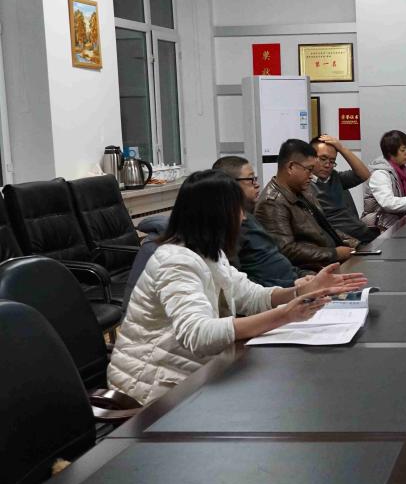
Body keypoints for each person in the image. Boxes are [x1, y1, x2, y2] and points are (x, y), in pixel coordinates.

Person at [107, 170, 367, 405]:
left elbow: (251, 296)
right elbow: (198, 334)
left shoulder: (211, 253)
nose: (243, 218)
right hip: (151, 389)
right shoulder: (175, 261)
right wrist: (284, 315)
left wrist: (300, 292)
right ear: (216, 215)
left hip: (192, 375)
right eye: (238, 210)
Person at [256, 139, 358, 270]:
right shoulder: (272, 202)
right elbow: (287, 250)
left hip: (328, 261)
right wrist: (334, 253)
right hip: (309, 271)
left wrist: (355, 244)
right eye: (309, 170)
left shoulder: (303, 191)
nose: (311, 176)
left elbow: (324, 228)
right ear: (291, 167)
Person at [212, 156, 303, 288]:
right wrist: (292, 285)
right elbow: (238, 284)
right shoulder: (229, 225)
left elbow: (275, 258)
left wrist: (304, 277)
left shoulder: (248, 215)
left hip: (292, 282)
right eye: (251, 179)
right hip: (274, 292)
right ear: (230, 184)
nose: (257, 184)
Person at [310, 135, 378, 244]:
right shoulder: (305, 185)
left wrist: (342, 149)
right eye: (323, 159)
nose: (327, 165)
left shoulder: (335, 177)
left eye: (332, 161)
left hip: (364, 234)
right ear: (310, 158)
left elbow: (364, 175)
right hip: (344, 241)